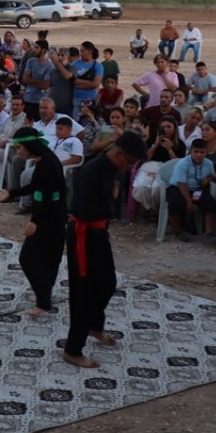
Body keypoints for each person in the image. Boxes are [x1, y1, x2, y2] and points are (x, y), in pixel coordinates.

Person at [62, 132, 147, 368]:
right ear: (119, 154)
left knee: (107, 282)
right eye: (130, 162)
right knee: (84, 292)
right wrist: (110, 204)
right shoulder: (92, 170)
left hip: (99, 233)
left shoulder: (111, 168)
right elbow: (86, 209)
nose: (129, 167)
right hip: (84, 233)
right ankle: (72, 349)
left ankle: (94, 325)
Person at [0, 128, 67, 317]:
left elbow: (47, 197)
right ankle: (44, 295)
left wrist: (35, 221)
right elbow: (36, 187)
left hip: (50, 216)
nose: (18, 152)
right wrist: (11, 192)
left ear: (29, 145)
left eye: (19, 147)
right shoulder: (45, 161)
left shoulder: (48, 165)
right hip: (53, 214)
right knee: (49, 256)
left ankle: (43, 302)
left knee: (27, 258)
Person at [166, 139, 216, 241]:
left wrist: (207, 179)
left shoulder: (208, 163)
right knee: (176, 201)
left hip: (195, 190)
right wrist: (189, 202)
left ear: (206, 152)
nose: (199, 155)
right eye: (196, 152)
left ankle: (209, 232)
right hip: (178, 188)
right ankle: (178, 231)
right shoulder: (183, 163)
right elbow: (181, 184)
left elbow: (212, 175)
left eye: (202, 152)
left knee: (209, 200)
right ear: (191, 151)